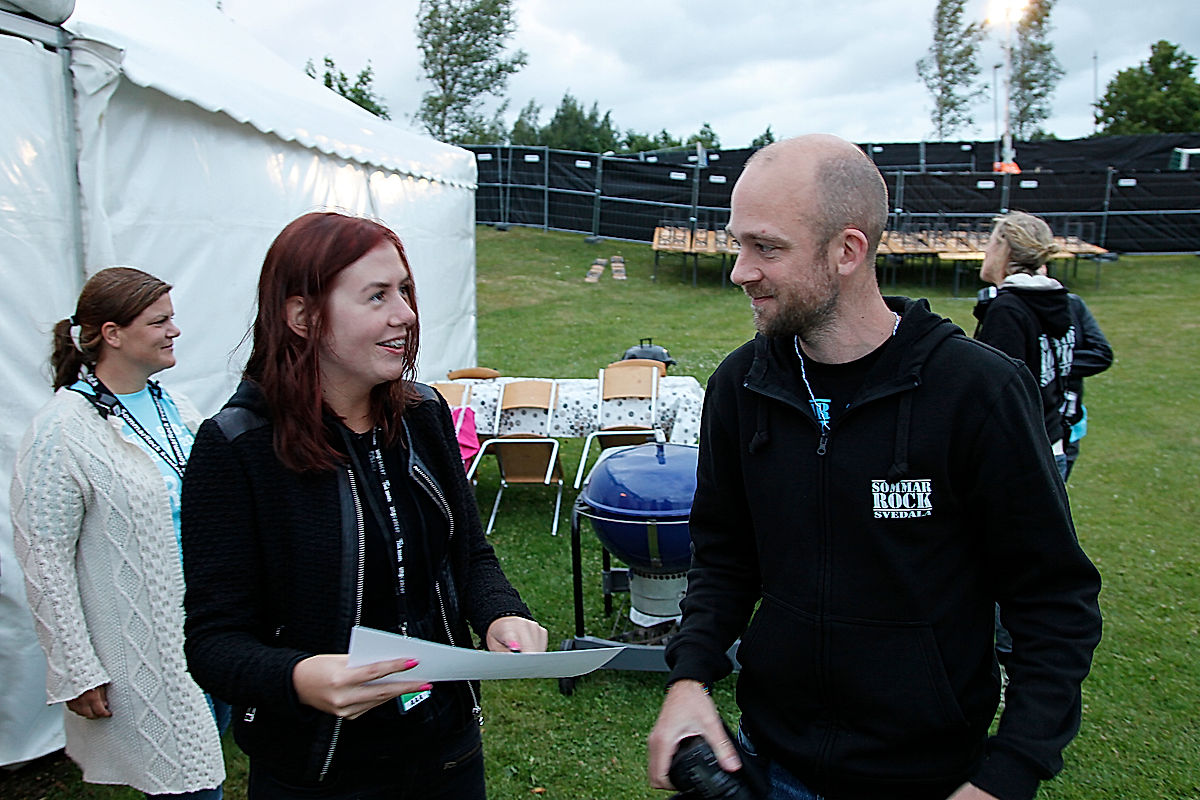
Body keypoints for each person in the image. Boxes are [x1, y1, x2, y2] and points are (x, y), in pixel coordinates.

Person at [645, 136, 1102, 800]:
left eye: (766, 248)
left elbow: (1053, 600)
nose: (740, 270)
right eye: (737, 242)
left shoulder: (976, 391)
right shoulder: (740, 387)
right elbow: (724, 556)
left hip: (930, 777)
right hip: (767, 761)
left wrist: (1011, 770)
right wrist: (689, 676)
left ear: (848, 252)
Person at [180, 211, 548, 800]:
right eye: (376, 296)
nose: (404, 313)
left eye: (404, 290)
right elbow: (214, 642)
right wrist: (299, 677)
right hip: (320, 771)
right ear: (301, 316)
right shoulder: (237, 447)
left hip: (446, 751)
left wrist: (500, 613)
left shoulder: (423, 415)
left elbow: (470, 553)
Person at [10, 267, 225, 798]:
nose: (175, 330)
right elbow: (45, 560)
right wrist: (75, 669)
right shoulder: (61, 432)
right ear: (112, 334)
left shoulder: (176, 409)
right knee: (191, 785)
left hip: (210, 631)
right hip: (147, 651)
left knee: (210, 759)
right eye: (159, 321)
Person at [972, 211, 1076, 480]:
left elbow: (996, 393)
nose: (986, 251)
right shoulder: (1053, 301)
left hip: (1021, 456)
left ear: (1004, 248)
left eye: (991, 242)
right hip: (1051, 443)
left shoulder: (1008, 310)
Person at [1061, 292, 1114, 481]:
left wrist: (1053, 361)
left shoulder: (1071, 304)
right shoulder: (1006, 308)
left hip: (1069, 420)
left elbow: (1101, 354)